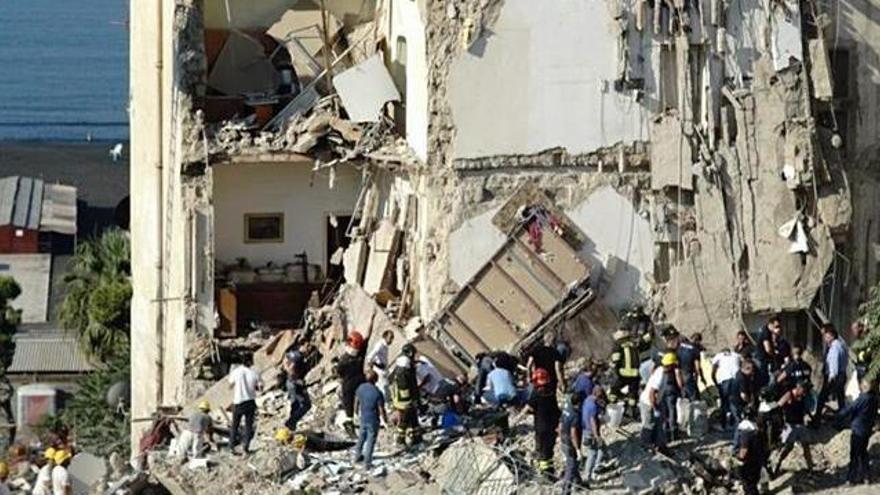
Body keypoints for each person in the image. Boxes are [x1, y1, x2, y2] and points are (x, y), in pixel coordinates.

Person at [837, 379, 878, 485]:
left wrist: (839, 416)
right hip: (867, 430)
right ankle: (867, 477)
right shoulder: (875, 398)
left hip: (858, 430)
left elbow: (851, 408)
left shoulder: (863, 398)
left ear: (863, 387)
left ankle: (851, 479)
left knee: (854, 455)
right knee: (863, 453)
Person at [525, 368, 560, 476]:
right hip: (552, 425)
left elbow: (530, 408)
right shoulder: (551, 392)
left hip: (541, 427)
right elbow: (556, 409)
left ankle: (546, 473)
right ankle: (548, 469)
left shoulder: (536, 394)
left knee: (542, 451)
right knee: (549, 450)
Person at [772, 381, 814, 474]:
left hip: (801, 424)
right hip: (790, 425)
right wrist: (780, 422)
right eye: (804, 390)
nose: (805, 392)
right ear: (798, 387)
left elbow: (805, 409)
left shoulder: (803, 396)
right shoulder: (789, 395)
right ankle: (777, 464)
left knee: (806, 446)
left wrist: (811, 417)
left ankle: (811, 468)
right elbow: (778, 406)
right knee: (788, 447)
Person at [336, 329, 371, 436]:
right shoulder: (360, 354)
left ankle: (351, 426)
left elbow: (339, 373)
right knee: (356, 406)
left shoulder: (344, 359)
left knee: (350, 408)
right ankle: (352, 425)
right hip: (358, 383)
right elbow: (367, 336)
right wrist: (372, 320)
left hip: (350, 385)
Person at [353, 370, 387, 469]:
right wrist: (385, 421)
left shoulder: (360, 388)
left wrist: (355, 413)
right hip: (373, 419)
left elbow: (356, 401)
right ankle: (367, 463)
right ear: (376, 380)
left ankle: (357, 457)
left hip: (363, 417)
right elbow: (381, 409)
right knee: (370, 441)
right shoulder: (377, 392)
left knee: (361, 438)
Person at [228, 355, 262, 454]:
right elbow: (259, 388)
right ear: (249, 361)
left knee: (235, 425)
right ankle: (245, 447)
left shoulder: (236, 372)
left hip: (238, 402)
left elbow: (230, 386)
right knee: (248, 426)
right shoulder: (254, 373)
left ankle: (231, 447)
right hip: (250, 402)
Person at [816, 324, 848, 419]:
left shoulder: (834, 348)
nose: (823, 338)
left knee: (822, 398)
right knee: (840, 398)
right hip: (842, 375)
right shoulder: (841, 344)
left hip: (834, 377)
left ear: (830, 334)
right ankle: (842, 418)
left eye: (824, 335)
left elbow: (834, 365)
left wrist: (831, 378)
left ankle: (817, 419)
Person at [735, 406, 767, 495]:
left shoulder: (745, 431)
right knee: (752, 485)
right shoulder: (757, 430)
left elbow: (744, 449)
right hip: (757, 462)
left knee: (749, 486)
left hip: (748, 463)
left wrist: (739, 460)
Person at [389, 355, 420, 446]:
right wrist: (411, 401)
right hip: (405, 403)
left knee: (413, 420)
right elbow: (406, 390)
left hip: (399, 401)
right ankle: (400, 439)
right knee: (405, 421)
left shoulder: (397, 373)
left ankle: (416, 437)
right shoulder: (403, 375)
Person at [609, 329, 641, 415]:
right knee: (633, 393)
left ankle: (613, 409)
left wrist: (613, 366)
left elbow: (616, 358)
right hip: (635, 373)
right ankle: (632, 411)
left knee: (613, 390)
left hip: (623, 373)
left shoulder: (618, 344)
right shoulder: (633, 344)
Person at [560, 391, 585, 495]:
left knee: (573, 462)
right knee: (571, 466)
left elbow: (560, 423)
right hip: (569, 441)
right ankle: (566, 490)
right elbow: (573, 433)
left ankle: (578, 483)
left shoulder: (567, 407)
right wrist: (578, 449)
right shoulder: (575, 415)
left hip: (563, 437)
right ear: (578, 403)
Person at [582, 385, 607, 487]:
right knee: (592, 454)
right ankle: (587, 477)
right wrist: (597, 436)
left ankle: (597, 467)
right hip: (591, 432)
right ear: (598, 394)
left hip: (586, 429)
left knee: (602, 448)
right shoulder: (593, 406)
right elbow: (592, 421)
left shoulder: (588, 399)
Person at [711, 347, 742, 429]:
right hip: (736, 380)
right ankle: (735, 423)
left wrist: (715, 383)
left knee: (724, 402)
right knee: (735, 402)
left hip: (725, 381)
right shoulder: (737, 355)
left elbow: (713, 371)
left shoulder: (718, 356)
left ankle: (723, 425)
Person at [283, 353, 311, 431]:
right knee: (305, 404)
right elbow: (291, 365)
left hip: (292, 382)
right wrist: (291, 373)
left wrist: (287, 369)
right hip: (294, 383)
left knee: (296, 404)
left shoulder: (293, 354)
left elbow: (286, 359)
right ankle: (291, 422)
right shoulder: (297, 356)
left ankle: (291, 426)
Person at [366, 329, 395, 397]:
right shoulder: (380, 345)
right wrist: (374, 365)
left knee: (386, 388)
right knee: (383, 389)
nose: (391, 341)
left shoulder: (385, 346)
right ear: (385, 337)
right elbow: (369, 357)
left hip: (384, 369)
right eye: (390, 338)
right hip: (379, 370)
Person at [677, 333, 705, 400]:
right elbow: (698, 367)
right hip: (688, 374)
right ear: (698, 341)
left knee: (684, 395)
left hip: (678, 373)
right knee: (693, 396)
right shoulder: (695, 350)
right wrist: (702, 377)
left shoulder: (681, 346)